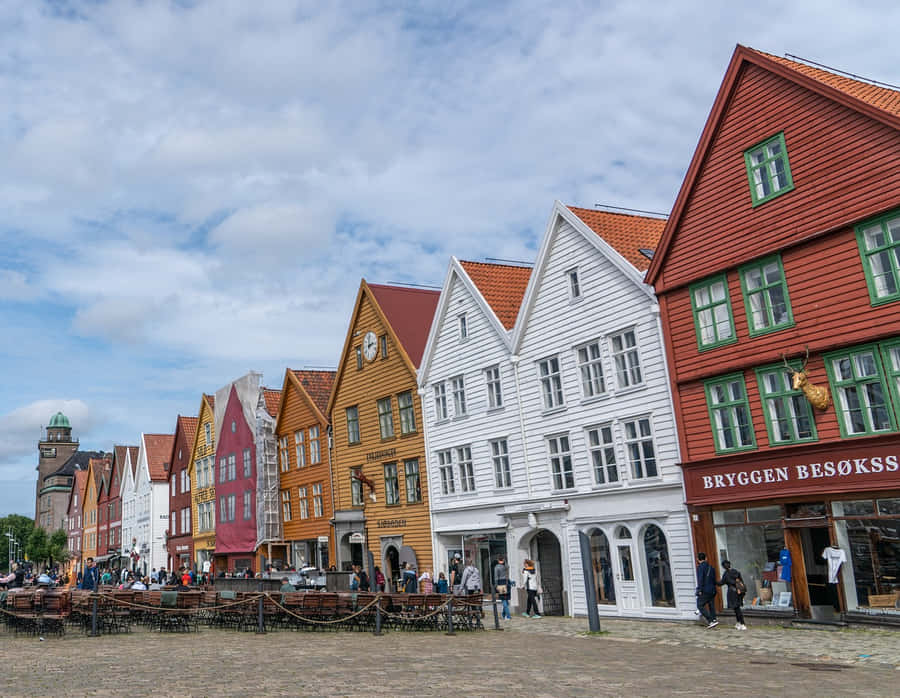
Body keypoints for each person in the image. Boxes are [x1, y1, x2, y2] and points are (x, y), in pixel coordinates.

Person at [718, 560, 747, 630]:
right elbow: (741, 581)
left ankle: (742, 624)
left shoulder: (726, 574)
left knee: (737, 609)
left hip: (732, 592)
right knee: (737, 608)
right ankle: (739, 623)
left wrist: (714, 582)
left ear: (723, 567)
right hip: (739, 591)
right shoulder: (736, 571)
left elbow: (721, 583)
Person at [695, 552, 718, 629]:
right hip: (713, 589)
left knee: (700, 604)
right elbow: (714, 579)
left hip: (706, 589)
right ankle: (714, 619)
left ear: (698, 559)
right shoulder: (711, 567)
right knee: (711, 604)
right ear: (706, 558)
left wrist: (699, 589)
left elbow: (700, 579)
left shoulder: (700, 567)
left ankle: (710, 620)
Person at [494, 555, 511, 620]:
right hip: (507, 582)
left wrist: (496, 585)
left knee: (504, 600)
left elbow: (496, 577)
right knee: (506, 600)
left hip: (500, 583)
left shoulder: (497, 567)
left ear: (498, 560)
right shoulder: (506, 566)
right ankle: (503, 614)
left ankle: (508, 616)